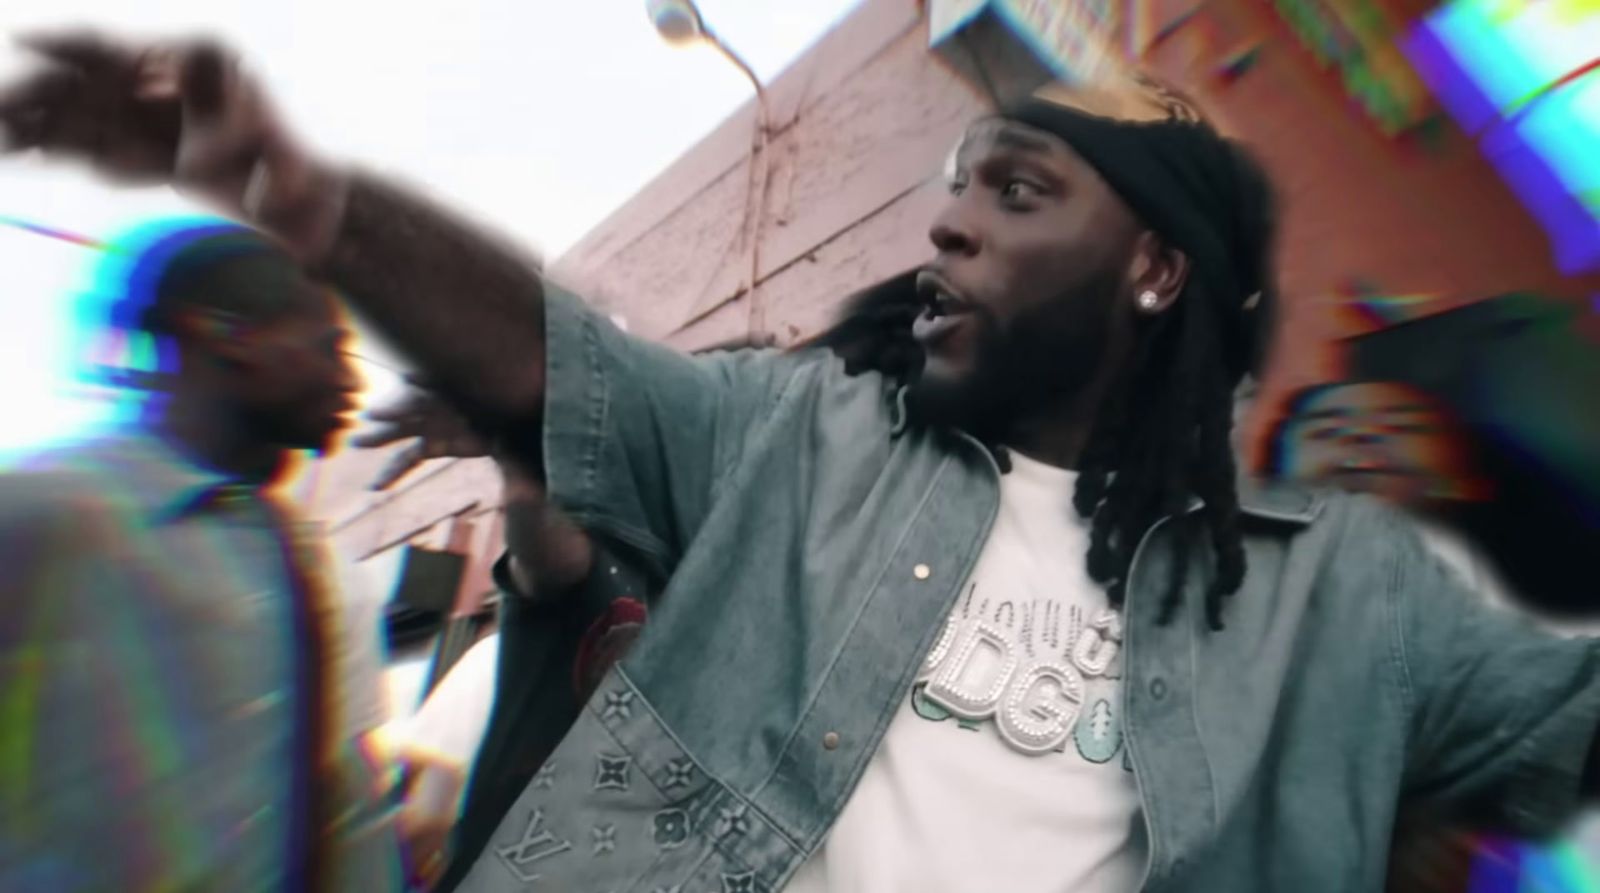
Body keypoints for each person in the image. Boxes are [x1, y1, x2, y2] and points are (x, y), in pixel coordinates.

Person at [5, 34, 1599, 893]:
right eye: (956, 185)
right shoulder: (798, 446)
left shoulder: (1343, 595)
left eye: (1022, 189)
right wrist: (295, 190)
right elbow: (568, 372)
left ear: (1159, 270)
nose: (949, 217)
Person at [0, 221, 405, 891]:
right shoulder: (41, 513)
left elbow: (349, 797)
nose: (351, 380)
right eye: (329, 347)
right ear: (230, 335)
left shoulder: (319, 564)